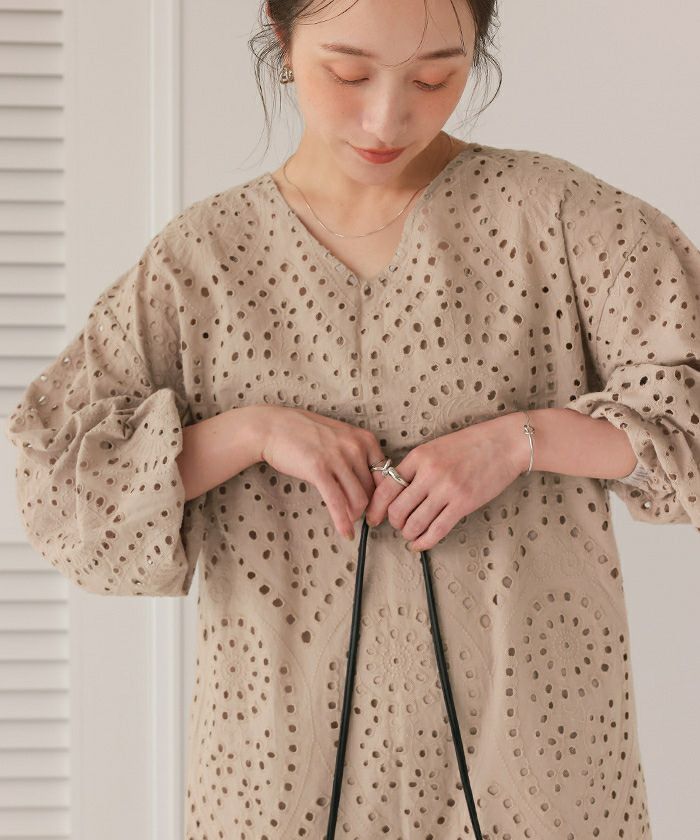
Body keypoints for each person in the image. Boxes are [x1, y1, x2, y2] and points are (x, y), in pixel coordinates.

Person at [4, 0, 699, 837]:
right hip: (275, 775)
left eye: (435, 77)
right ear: (282, 38)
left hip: (536, 764)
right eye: (348, 72)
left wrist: (524, 440)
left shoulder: (560, 219)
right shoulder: (202, 259)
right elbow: (62, 493)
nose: (386, 118)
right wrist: (250, 432)